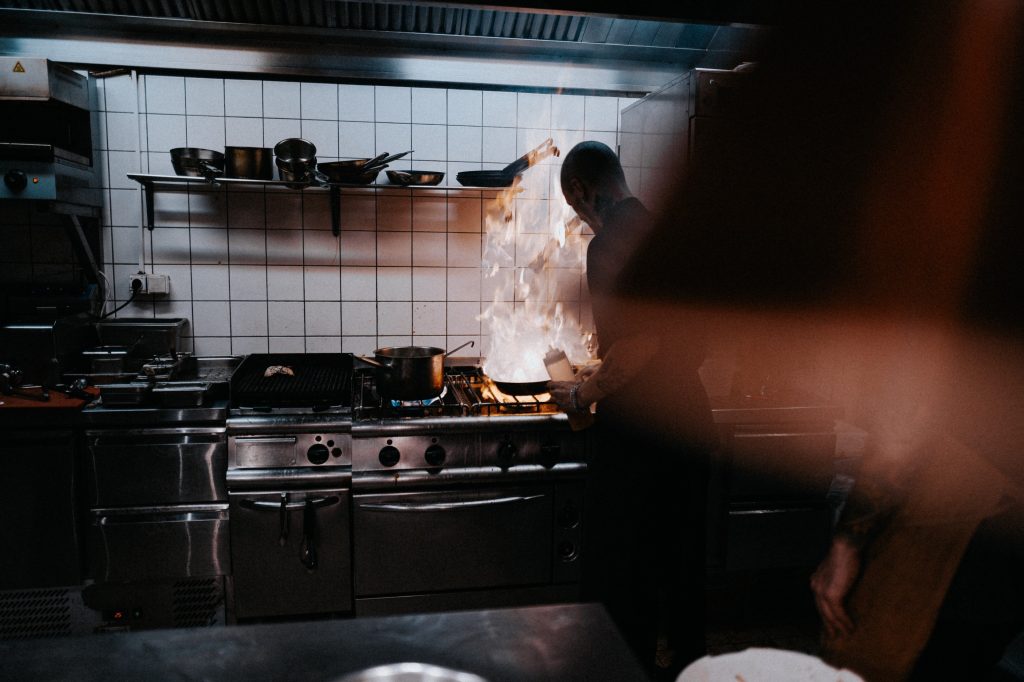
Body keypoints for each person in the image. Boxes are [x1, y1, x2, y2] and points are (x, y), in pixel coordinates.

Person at [547, 140, 717, 680]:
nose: (581, 220)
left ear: (580, 190)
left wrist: (581, 394)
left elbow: (638, 347)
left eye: (575, 209)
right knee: (684, 574)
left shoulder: (609, 245)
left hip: (640, 435)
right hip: (692, 421)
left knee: (622, 582)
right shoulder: (673, 235)